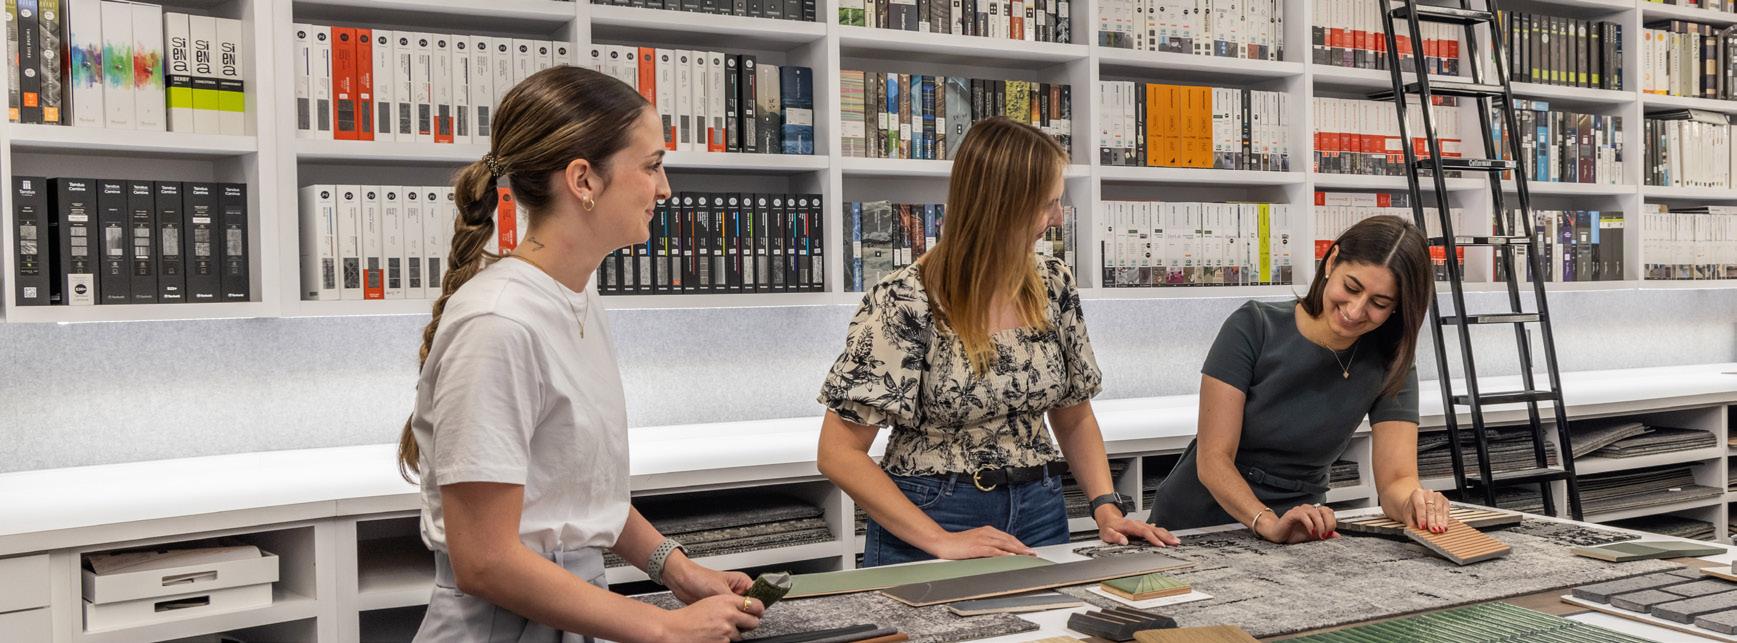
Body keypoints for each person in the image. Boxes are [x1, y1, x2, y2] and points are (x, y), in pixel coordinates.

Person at [399, 66, 761, 643]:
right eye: (651, 166)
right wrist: (664, 627)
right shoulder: (498, 323)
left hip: (572, 609)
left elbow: (577, 495)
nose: (665, 189)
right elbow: (484, 561)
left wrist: (676, 568)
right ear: (583, 180)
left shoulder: (577, 297)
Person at [816, 117, 1178, 568]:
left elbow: (1073, 414)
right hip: (936, 512)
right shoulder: (906, 299)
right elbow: (838, 453)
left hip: (1042, 507)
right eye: (1048, 204)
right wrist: (940, 541)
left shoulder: (1053, 283)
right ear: (1002, 207)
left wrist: (1107, 508)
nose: (1058, 217)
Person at [1147, 215, 1455, 543]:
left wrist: (1415, 504)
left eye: (1379, 303)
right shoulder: (1253, 326)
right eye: (1351, 288)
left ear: (1398, 307)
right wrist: (1267, 522)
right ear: (1331, 262)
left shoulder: (1391, 361)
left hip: (1298, 530)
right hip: (1194, 525)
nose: (1355, 310)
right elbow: (1213, 460)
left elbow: (1396, 480)